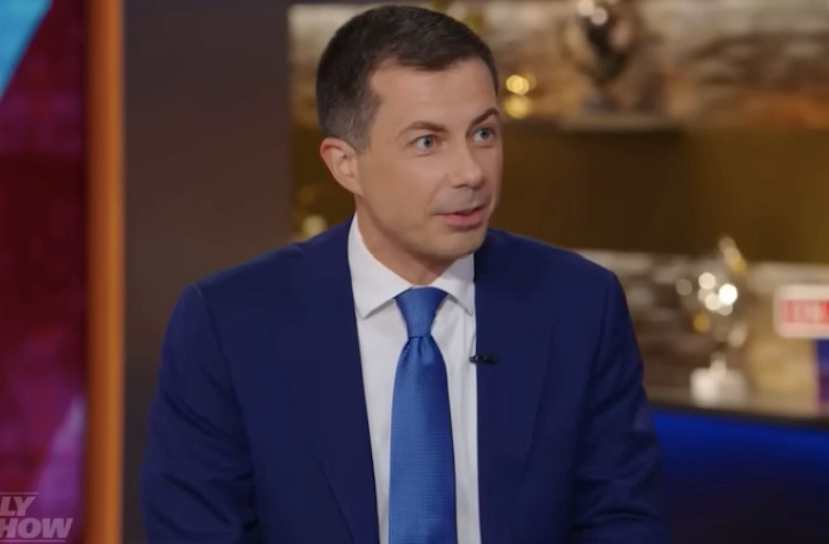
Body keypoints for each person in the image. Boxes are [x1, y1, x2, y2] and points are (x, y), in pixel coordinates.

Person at [139, 5, 666, 544]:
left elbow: (621, 519)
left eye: (483, 133)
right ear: (347, 164)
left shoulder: (578, 304)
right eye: (427, 142)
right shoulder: (229, 323)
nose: (470, 173)